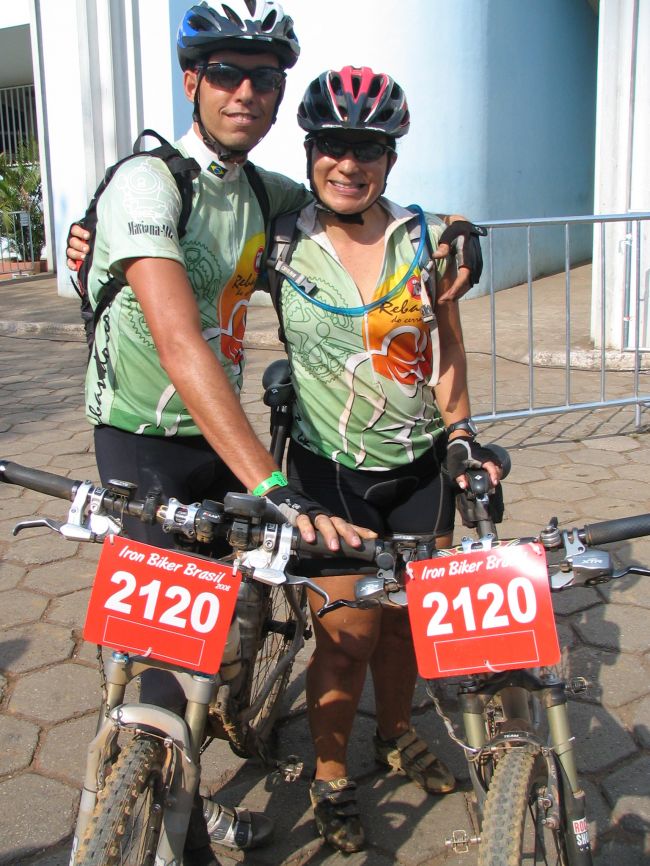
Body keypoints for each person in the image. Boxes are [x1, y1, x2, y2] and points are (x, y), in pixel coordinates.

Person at [65, 4, 375, 864]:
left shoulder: (264, 192)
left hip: (220, 438)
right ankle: (159, 819)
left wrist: (445, 235)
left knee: (197, 639)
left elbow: (356, 199)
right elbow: (175, 340)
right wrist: (273, 485)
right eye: (227, 73)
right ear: (191, 81)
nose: (246, 92)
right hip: (142, 441)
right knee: (151, 660)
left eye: (265, 78)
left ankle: (181, 782)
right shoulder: (146, 180)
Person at [261, 66, 502, 853]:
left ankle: (394, 734)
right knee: (349, 635)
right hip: (329, 474)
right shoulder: (280, 239)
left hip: (419, 467)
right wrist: (91, 234)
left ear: (390, 159)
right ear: (309, 152)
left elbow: (446, 348)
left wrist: (461, 433)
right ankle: (331, 773)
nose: (350, 162)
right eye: (333, 144)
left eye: (368, 147)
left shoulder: (422, 239)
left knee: (407, 628)